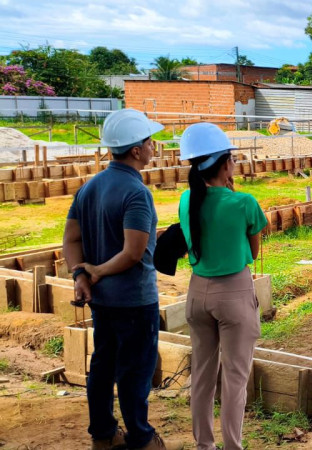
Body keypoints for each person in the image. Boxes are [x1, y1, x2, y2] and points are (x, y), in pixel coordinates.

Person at [63, 109, 182, 450]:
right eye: (148, 141)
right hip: (134, 300)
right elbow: (133, 252)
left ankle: (103, 435)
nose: (153, 146)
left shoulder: (89, 187)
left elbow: (71, 240)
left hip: (102, 300)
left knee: (102, 366)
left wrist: (80, 275)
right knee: (134, 372)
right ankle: (141, 438)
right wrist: (96, 271)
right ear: (135, 150)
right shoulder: (136, 193)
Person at [179, 123, 268, 450]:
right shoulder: (244, 203)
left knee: (202, 375)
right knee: (234, 377)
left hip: (197, 293)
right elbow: (253, 251)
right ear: (225, 164)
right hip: (233, 293)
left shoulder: (186, 200)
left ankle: (204, 444)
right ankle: (232, 445)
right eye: (231, 159)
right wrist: (231, 192)